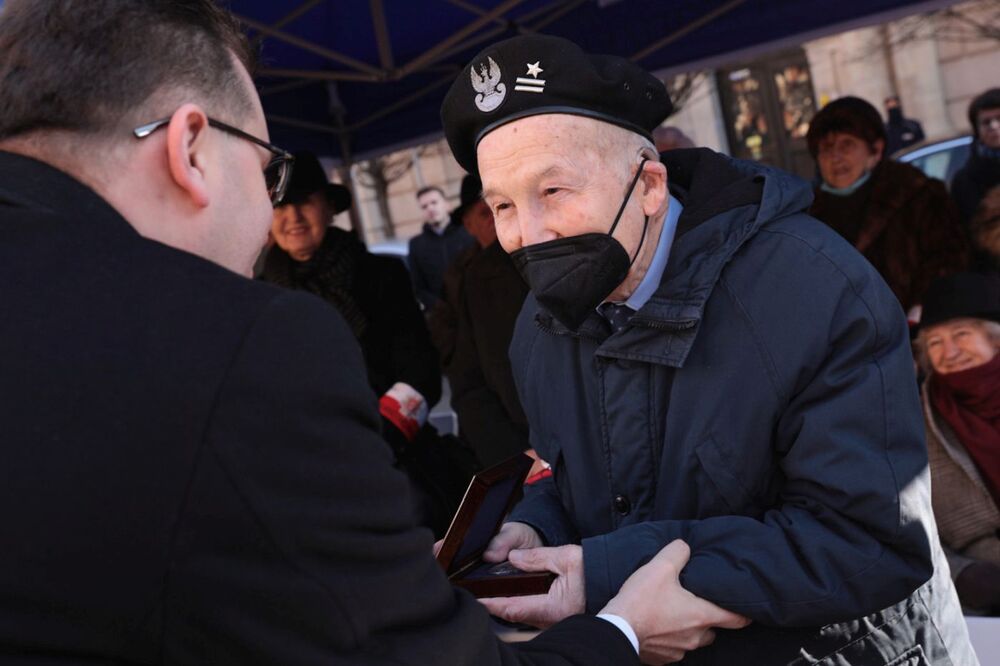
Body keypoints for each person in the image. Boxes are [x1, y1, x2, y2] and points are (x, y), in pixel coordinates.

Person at [0, 2, 739, 663]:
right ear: (191, 148)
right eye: (264, 169)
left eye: (553, 192)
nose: (272, 216)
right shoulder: (240, 343)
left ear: (646, 183)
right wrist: (624, 632)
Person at [440, 33, 975, 664]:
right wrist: (534, 531)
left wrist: (601, 574)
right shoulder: (538, 325)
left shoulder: (816, 289)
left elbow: (871, 542)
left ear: (649, 186)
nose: (528, 234)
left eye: (553, 192)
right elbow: (574, 474)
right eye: (502, 204)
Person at [262, 152, 471, 537]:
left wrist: (373, 442)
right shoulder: (256, 294)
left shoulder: (380, 276)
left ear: (328, 208)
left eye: (304, 201)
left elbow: (419, 370)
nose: (292, 217)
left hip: (390, 460)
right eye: (281, 205)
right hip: (304, 477)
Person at [807, 96, 968, 313]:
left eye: (847, 145)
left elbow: (949, 266)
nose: (835, 157)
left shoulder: (920, 196)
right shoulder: (806, 216)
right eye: (826, 148)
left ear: (876, 149)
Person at [914, 272, 1000, 615]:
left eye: (961, 335)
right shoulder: (913, 419)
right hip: (979, 602)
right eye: (934, 343)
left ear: (995, 339)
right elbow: (904, 523)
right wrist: (963, 574)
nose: (948, 351)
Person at [447, 180, 532, 468]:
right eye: (489, 212)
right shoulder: (471, 279)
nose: (497, 223)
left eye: (506, 207)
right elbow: (468, 382)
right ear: (468, 225)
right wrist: (517, 462)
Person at [408, 184, 476, 309]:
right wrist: (440, 306)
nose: (430, 208)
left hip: (476, 305)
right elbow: (418, 287)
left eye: (434, 202)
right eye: (424, 206)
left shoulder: (468, 232)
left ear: (447, 204)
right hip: (443, 317)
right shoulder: (416, 245)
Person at [952, 88, 1000, 257]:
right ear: (977, 129)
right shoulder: (965, 181)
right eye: (987, 122)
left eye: (999, 119)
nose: (994, 127)